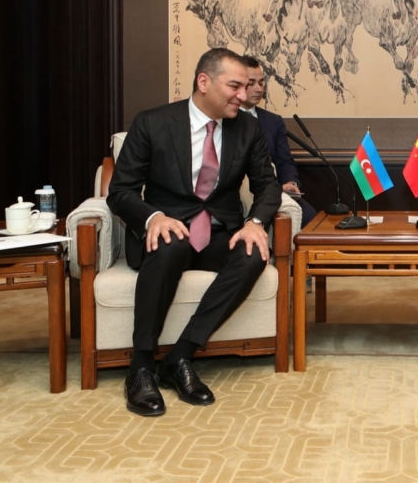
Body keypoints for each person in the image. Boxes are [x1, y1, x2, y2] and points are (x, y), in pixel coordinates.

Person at [107, 48, 283, 417]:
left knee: (253, 254)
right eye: (234, 86)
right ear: (204, 82)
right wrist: (153, 217)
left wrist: (254, 223)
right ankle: (141, 367)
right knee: (170, 245)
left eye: (246, 86)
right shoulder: (152, 123)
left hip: (218, 233)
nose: (243, 95)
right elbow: (120, 191)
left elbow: (267, 185)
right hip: (166, 232)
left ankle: (181, 355)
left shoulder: (248, 128)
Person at [239, 56, 317, 227]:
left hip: (271, 189)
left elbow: (284, 160)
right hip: (237, 192)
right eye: (251, 83)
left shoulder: (273, 121)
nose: (258, 88)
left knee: (310, 218)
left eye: (261, 83)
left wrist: (290, 182)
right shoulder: (224, 118)